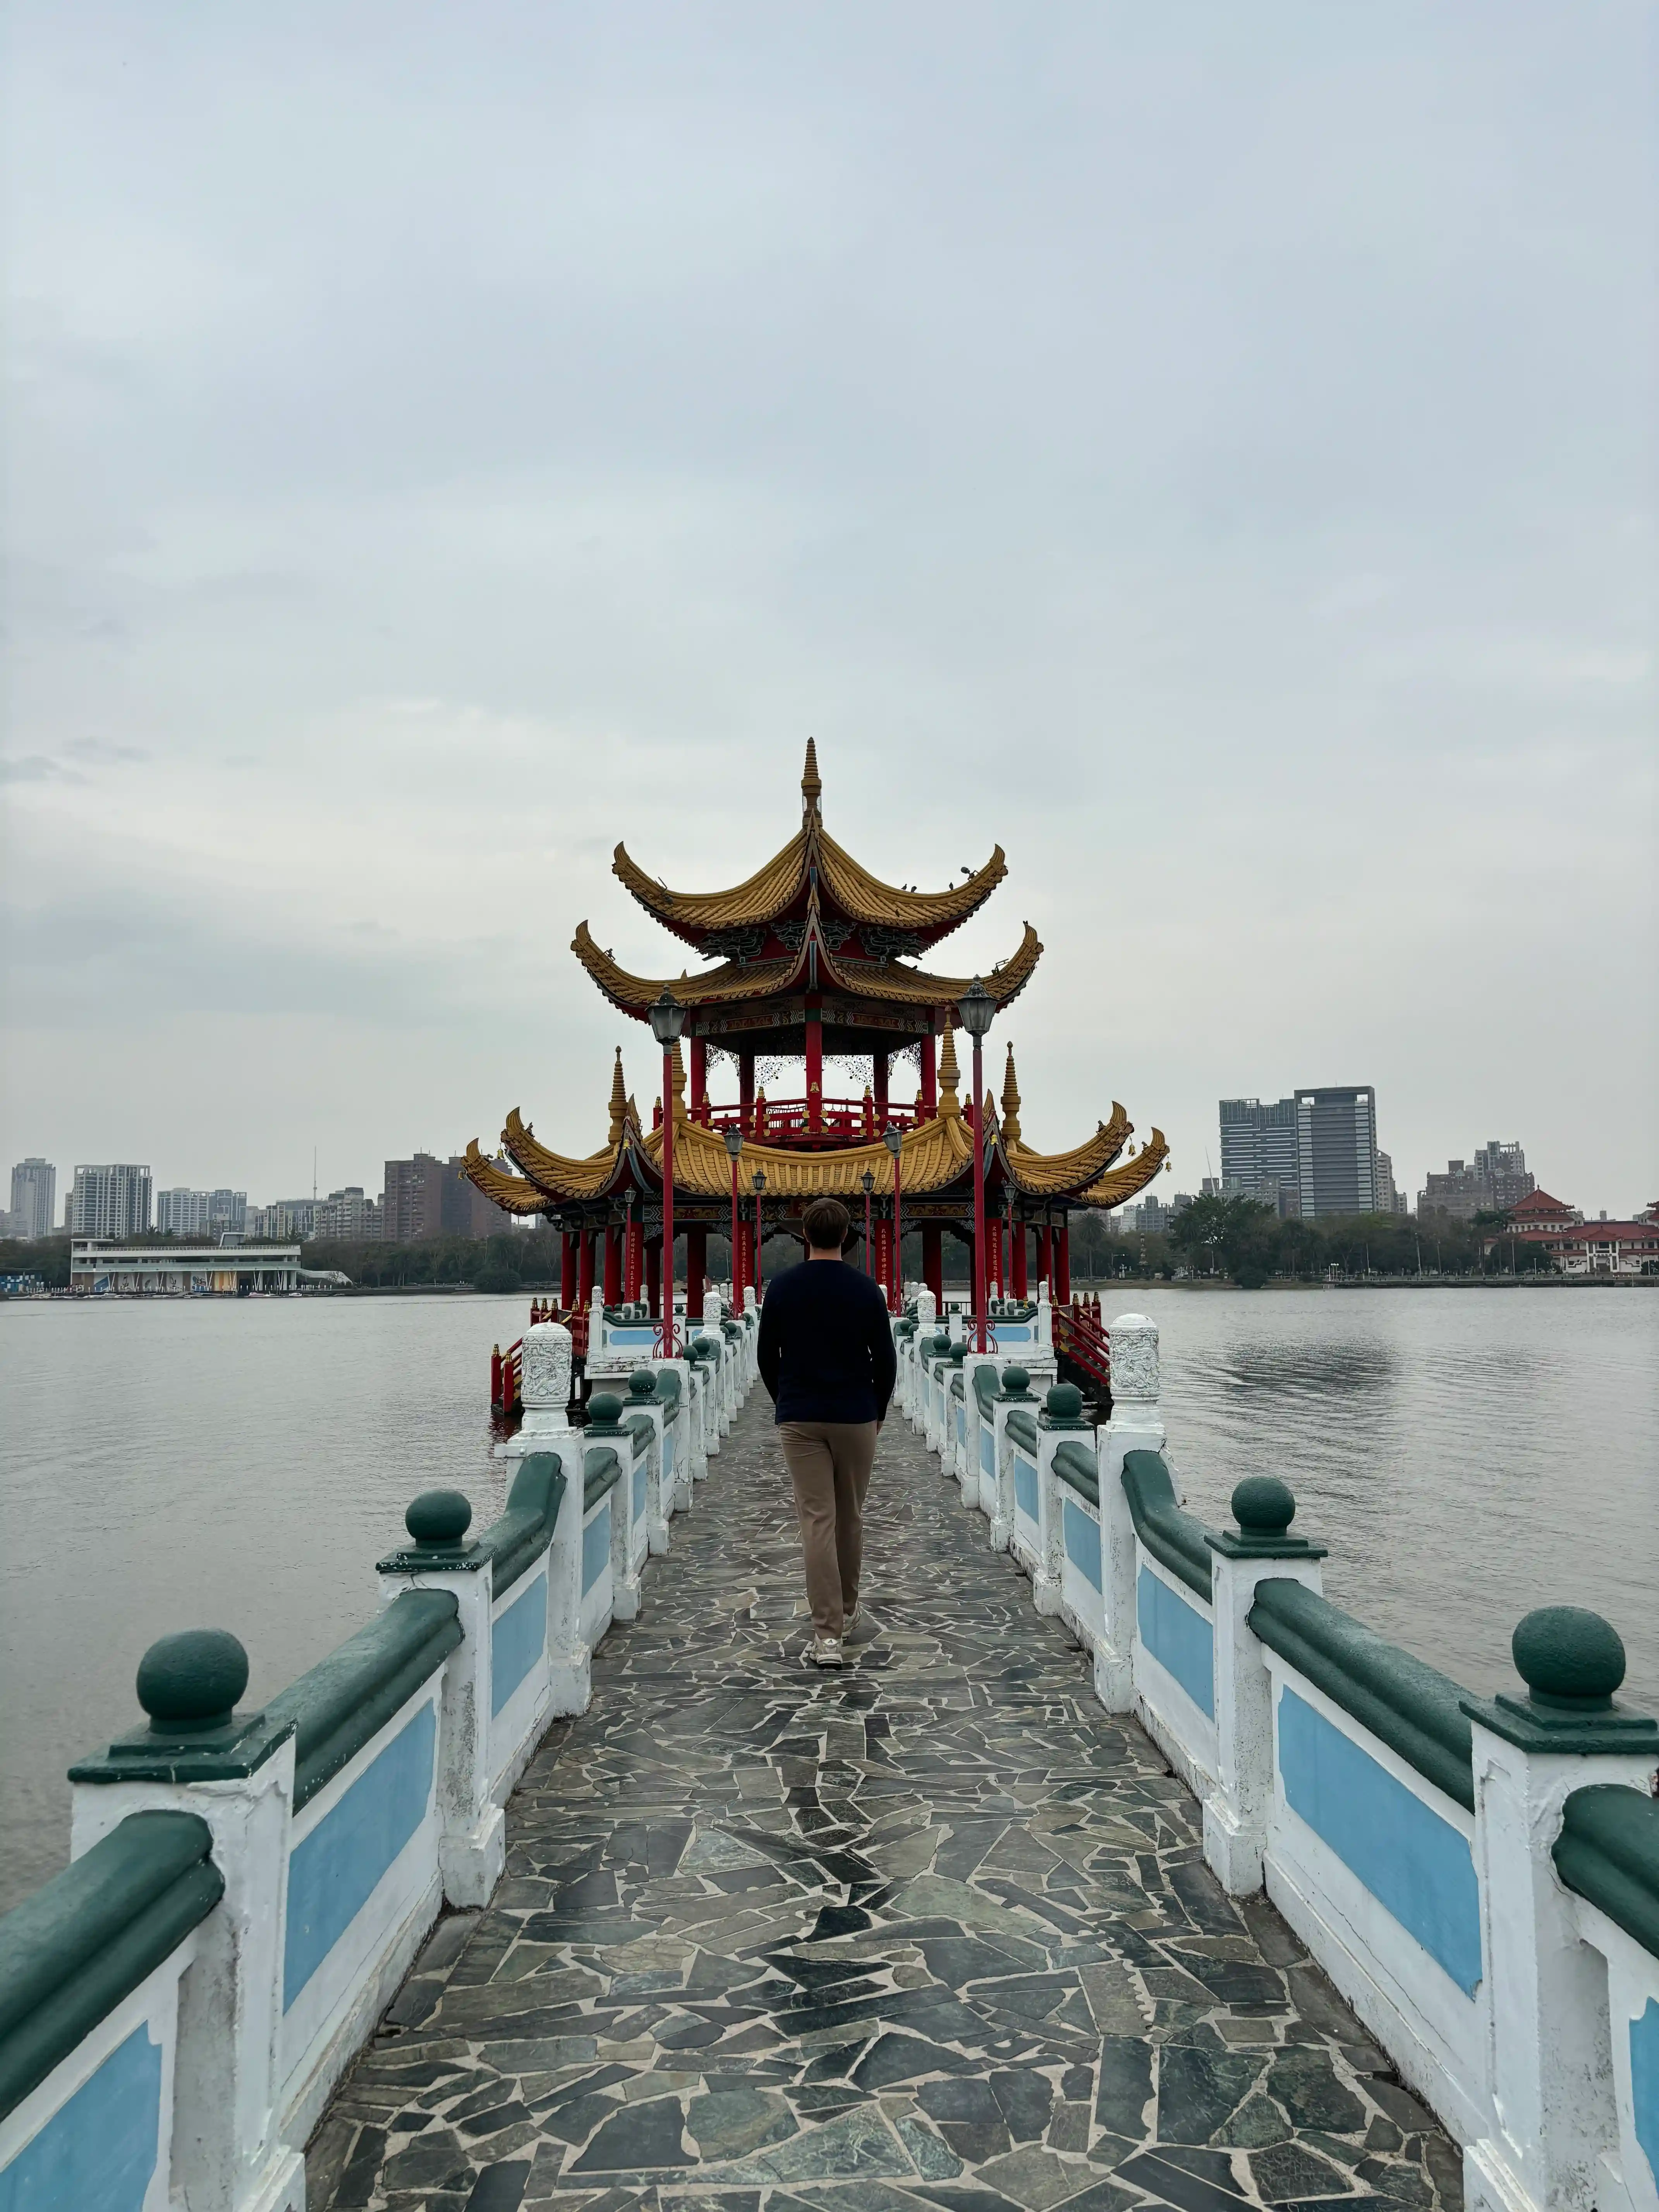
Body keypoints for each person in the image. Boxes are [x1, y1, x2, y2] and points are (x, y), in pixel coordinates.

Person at [757, 1194, 898, 1668]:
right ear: (845, 1236)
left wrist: (787, 1404)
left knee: (817, 1519)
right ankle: (850, 1610)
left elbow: (765, 1357)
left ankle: (827, 1637)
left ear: (803, 1236)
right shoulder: (866, 1290)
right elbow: (887, 1361)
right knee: (850, 1516)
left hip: (800, 1417)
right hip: (856, 1415)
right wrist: (876, 1412)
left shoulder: (781, 1287)